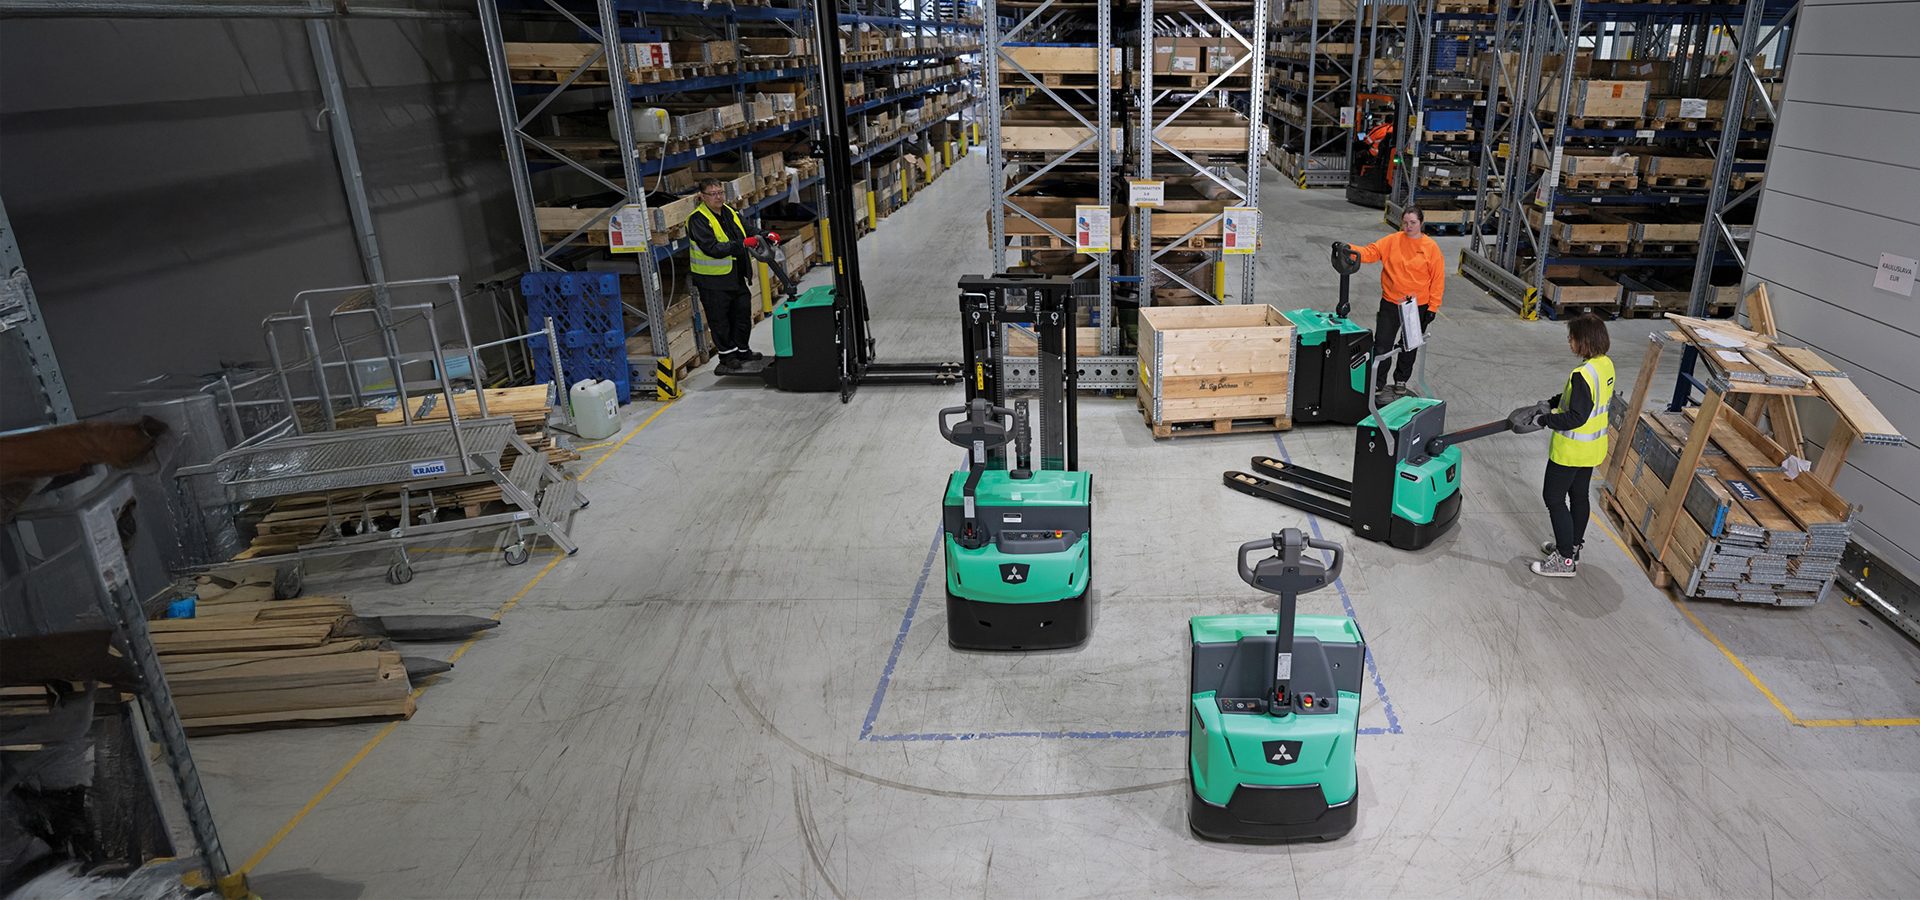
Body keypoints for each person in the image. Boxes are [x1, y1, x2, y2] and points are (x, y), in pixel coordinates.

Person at [1532, 313, 1616, 578]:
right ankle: (1573, 547)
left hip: (1571, 451)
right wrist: (1554, 400)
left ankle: (1564, 561)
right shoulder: (1604, 365)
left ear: (1584, 341)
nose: (1569, 342)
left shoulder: (1582, 374)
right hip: (1593, 448)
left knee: (1554, 498)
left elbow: (1577, 416)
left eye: (1572, 337)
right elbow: (1584, 400)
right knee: (1579, 496)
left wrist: (1545, 419)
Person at [1336, 208, 1446, 401]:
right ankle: (1378, 382)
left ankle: (1401, 380)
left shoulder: (1431, 248)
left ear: (1421, 223)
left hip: (1416, 306)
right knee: (1382, 345)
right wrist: (1349, 249)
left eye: (1412, 222)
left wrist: (1432, 308)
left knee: (1409, 345)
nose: (1408, 226)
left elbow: (1437, 280)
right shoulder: (1392, 241)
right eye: (1405, 222)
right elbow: (1371, 252)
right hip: (1390, 302)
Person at [687, 178, 768, 374]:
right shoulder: (698, 219)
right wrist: (742, 244)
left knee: (742, 313)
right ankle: (727, 356)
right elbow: (712, 248)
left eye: (720, 192)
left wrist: (764, 234)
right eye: (713, 194)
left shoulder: (730, 212)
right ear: (703, 197)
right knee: (720, 320)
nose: (718, 197)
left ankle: (742, 350)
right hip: (713, 280)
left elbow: (748, 230)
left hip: (735, 276)